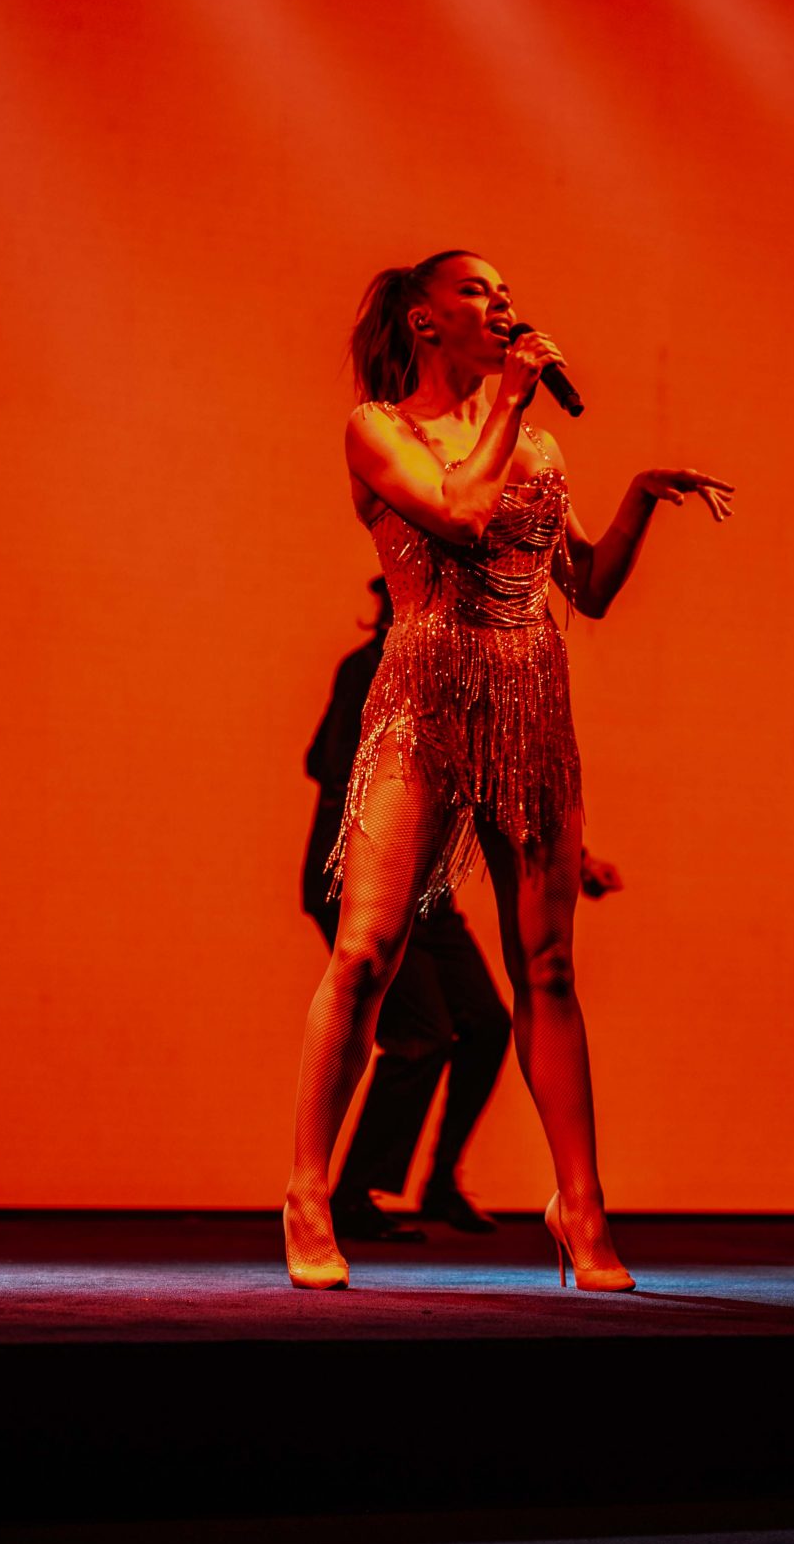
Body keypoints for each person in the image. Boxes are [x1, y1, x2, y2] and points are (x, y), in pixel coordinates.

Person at [282, 251, 732, 1291]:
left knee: (550, 966)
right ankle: (308, 1191)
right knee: (367, 951)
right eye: (476, 293)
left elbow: (589, 587)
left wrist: (636, 500)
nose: (503, 306)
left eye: (507, 294)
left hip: (529, 699)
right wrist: (515, 399)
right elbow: (459, 514)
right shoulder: (378, 430)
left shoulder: (537, 444)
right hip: (423, 697)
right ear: (424, 321)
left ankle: (581, 1205)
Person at [301, 577, 510, 1244]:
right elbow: (328, 763)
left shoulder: (459, 683)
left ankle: (440, 1180)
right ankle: (350, 1195)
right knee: (422, 1032)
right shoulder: (369, 669)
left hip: (428, 891)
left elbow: (490, 778)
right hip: (359, 874)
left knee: (487, 1023)